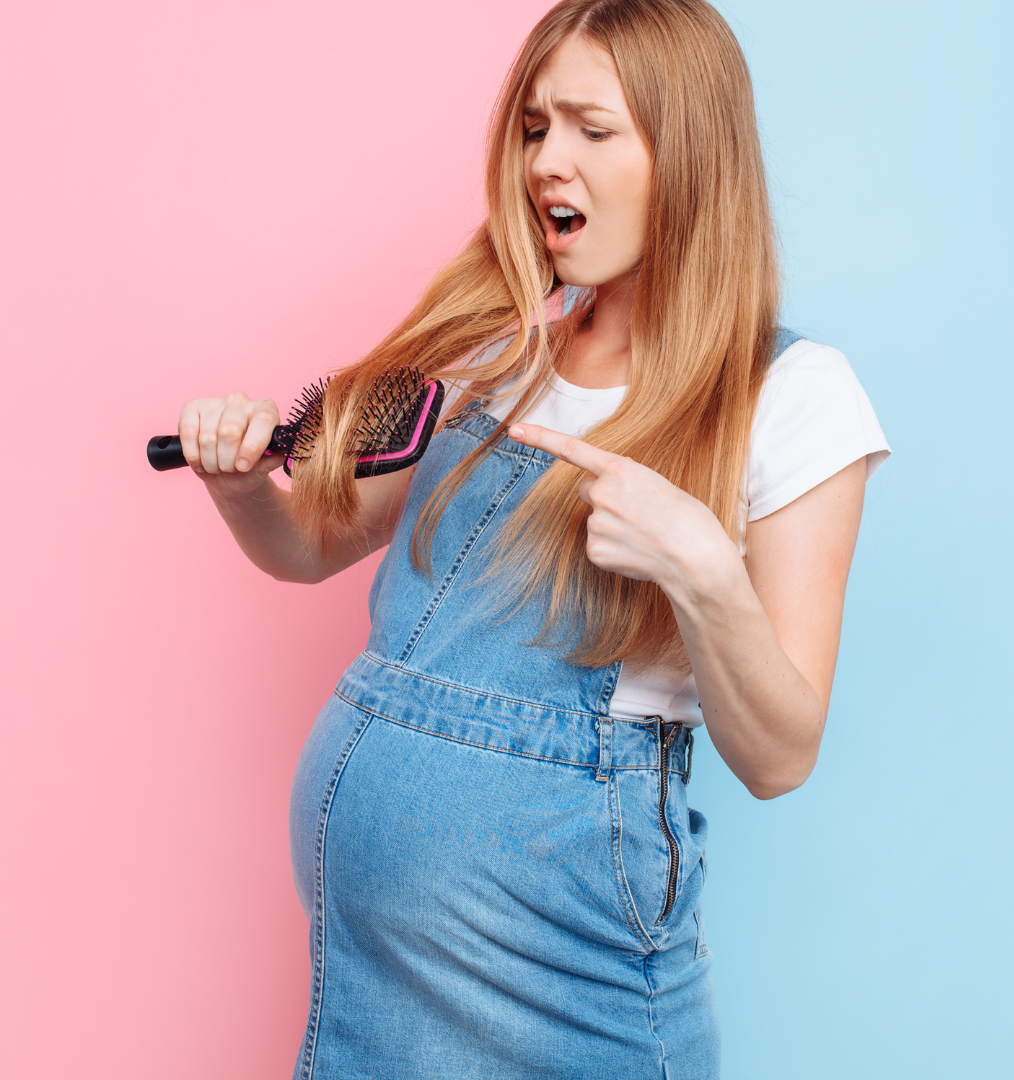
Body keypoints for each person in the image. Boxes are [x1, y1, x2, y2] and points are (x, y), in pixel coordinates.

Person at [176, 0, 890, 1075]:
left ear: (688, 154)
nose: (549, 162)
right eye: (533, 128)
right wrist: (240, 489)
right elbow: (310, 548)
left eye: (592, 131)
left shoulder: (790, 396)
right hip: (369, 973)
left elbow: (781, 755)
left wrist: (704, 573)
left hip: (568, 971)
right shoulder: (489, 351)